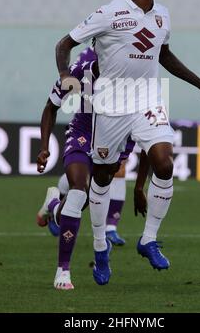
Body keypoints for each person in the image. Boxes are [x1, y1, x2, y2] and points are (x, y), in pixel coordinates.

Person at [55, 0, 200, 286]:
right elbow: (64, 43)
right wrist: (64, 73)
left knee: (164, 163)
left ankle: (148, 239)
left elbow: (164, 56)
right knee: (102, 177)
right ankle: (101, 246)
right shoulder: (109, 13)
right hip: (110, 106)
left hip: (148, 100)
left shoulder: (162, 15)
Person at [36, 47, 135, 289]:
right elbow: (51, 106)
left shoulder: (134, 79)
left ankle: (53, 203)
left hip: (110, 142)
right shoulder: (81, 72)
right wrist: (44, 147)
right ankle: (63, 270)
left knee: (75, 206)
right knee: (79, 191)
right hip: (81, 136)